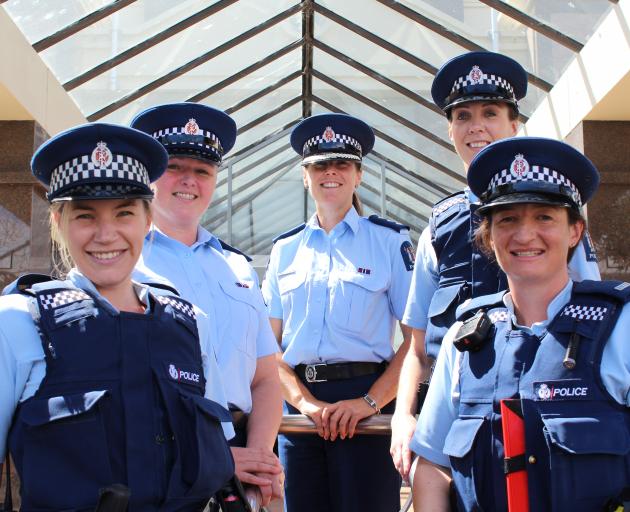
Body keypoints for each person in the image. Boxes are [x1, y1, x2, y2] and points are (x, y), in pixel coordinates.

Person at [0, 123, 236, 510]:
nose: (106, 234)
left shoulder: (191, 323)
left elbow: (216, 452)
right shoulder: (19, 321)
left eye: (124, 213)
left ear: (147, 222)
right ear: (59, 223)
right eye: (86, 216)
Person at [390, 51, 601, 481]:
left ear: (514, 125)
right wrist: (403, 415)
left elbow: (591, 325)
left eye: (490, 113)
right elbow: (415, 347)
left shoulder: (558, 221)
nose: (477, 127)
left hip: (541, 409)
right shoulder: (439, 226)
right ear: (450, 129)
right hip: (449, 419)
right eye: (463, 116)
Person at [411, 136, 630, 511]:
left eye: (544, 217)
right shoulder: (464, 338)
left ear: (575, 231)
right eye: (508, 219)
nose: (525, 235)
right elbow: (432, 466)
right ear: (489, 235)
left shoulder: (620, 326)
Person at [130, 103, 283, 507]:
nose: (188, 180)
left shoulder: (237, 266)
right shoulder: (124, 262)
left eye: (202, 170)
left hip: (241, 469)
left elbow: (266, 378)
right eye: (175, 166)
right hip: (162, 463)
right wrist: (218, 459)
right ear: (149, 175)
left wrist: (261, 458)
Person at [262, 113, 414, 512]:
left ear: (359, 175)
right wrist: (305, 404)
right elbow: (265, 346)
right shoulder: (285, 250)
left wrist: (368, 403)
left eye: (342, 164)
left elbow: (417, 342)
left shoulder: (388, 242)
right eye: (319, 166)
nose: (331, 173)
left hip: (367, 405)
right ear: (305, 175)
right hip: (300, 413)